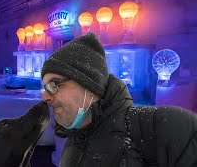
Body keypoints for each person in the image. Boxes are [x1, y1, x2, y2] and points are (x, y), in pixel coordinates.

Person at [41, 33, 197, 167]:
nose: (45, 97)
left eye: (54, 84)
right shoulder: (74, 138)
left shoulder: (165, 127)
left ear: (90, 86)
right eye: (45, 87)